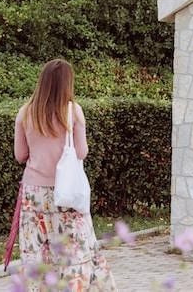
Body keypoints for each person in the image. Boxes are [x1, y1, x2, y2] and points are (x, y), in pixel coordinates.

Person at [13, 59, 116, 291]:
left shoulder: (25, 112)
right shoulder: (73, 111)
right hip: (66, 192)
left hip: (34, 194)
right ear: (67, 83)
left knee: (36, 254)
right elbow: (81, 152)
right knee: (74, 253)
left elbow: (20, 155)